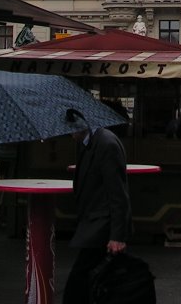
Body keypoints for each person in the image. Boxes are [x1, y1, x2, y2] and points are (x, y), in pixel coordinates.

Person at [63, 110, 131, 304]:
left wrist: (117, 236)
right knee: (93, 282)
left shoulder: (106, 144)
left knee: (78, 283)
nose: (68, 132)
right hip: (94, 221)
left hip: (102, 225)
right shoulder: (86, 143)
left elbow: (118, 193)